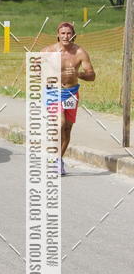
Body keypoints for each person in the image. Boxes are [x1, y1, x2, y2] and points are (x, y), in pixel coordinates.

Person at [42, 22, 96, 175]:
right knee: (60, 124)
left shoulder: (80, 52)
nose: (65, 36)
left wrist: (78, 74)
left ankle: (57, 160)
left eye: (68, 33)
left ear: (73, 35)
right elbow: (35, 69)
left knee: (67, 129)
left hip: (71, 93)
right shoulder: (48, 51)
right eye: (62, 33)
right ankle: (53, 157)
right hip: (53, 92)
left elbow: (92, 76)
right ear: (57, 34)